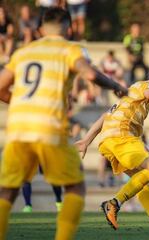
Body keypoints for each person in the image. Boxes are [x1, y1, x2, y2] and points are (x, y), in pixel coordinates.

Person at [0, 8, 126, 240]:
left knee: (7, 191)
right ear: (69, 28)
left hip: (18, 130)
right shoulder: (69, 49)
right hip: (49, 128)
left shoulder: (23, 52)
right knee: (75, 188)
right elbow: (89, 74)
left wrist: (19, 102)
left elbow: (0, 86)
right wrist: (115, 86)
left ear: (39, 30)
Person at [75, 58, 149, 234]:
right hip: (122, 136)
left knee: (141, 179)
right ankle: (113, 203)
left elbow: (106, 115)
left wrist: (86, 141)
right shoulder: (148, 86)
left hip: (108, 140)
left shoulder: (131, 91)